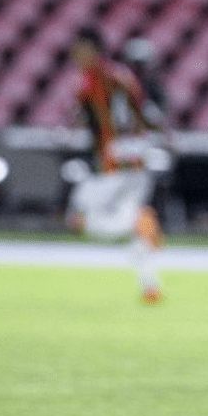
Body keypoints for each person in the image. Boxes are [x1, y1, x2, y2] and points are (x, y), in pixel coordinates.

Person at [66, 27, 167, 304]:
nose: (75, 55)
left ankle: (138, 222)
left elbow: (90, 117)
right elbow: (145, 112)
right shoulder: (122, 77)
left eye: (79, 49)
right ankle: (150, 286)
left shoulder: (92, 79)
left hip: (117, 161)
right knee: (128, 224)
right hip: (136, 158)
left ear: (93, 50)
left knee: (80, 217)